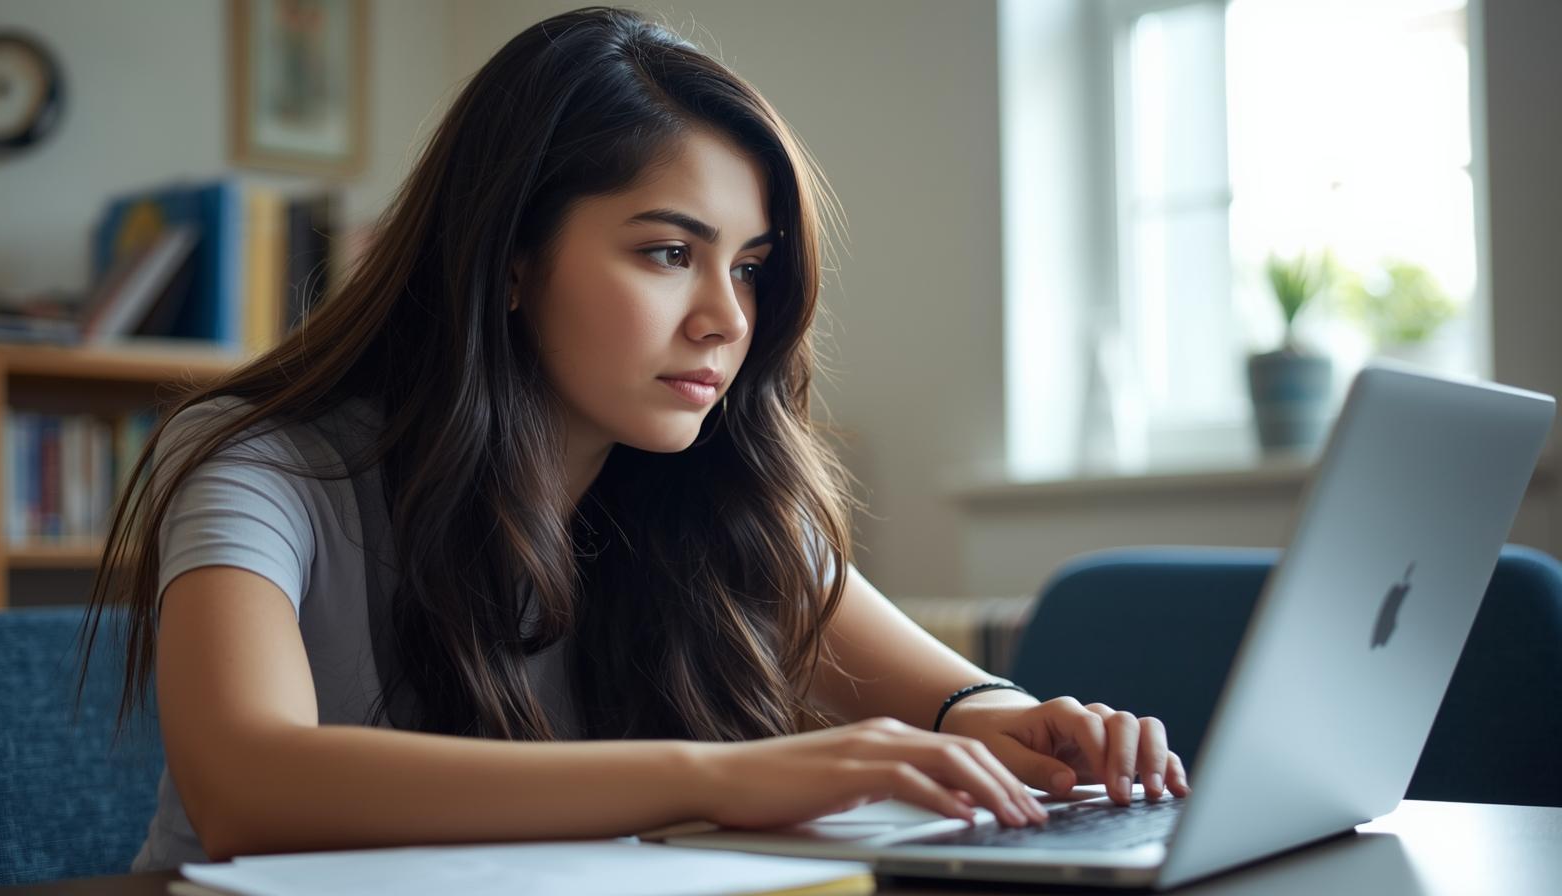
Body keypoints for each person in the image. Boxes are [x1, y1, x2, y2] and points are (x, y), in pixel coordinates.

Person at [79, 6, 1189, 871]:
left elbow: (947, 695)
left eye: (749, 266)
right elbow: (248, 782)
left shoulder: (707, 486)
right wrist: (722, 776)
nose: (728, 318)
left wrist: (1024, 724)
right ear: (509, 258)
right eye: (667, 252)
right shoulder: (263, 464)